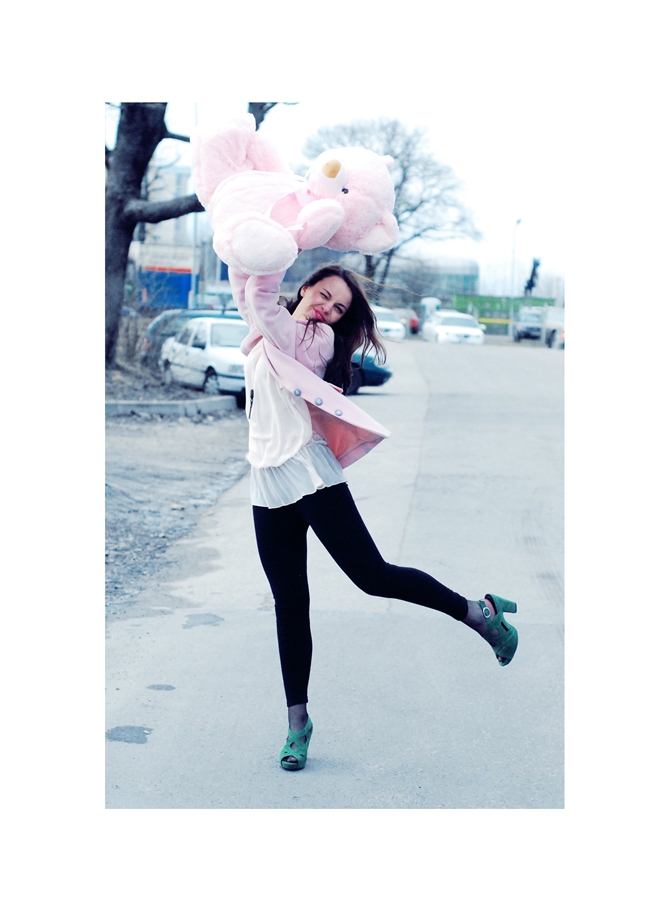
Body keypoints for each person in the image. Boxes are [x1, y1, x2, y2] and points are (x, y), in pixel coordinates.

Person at [229, 264, 518, 771]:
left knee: (373, 576)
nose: (328, 309)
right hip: (267, 479)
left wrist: (274, 252)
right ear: (305, 287)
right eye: (324, 296)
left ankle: (479, 614)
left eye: (339, 308)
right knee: (289, 604)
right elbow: (248, 283)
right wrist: (246, 246)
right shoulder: (267, 325)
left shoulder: (312, 338)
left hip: (310, 472)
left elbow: (262, 296)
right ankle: (298, 725)